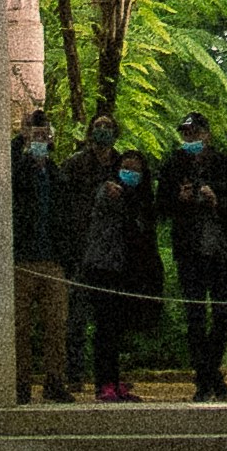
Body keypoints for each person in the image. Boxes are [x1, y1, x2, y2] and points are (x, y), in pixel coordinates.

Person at [157, 118, 227, 397]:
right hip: (190, 251)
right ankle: (205, 379)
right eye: (186, 133)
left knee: (221, 315)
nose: (190, 138)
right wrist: (178, 198)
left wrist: (217, 200)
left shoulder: (226, 163)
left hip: (221, 250)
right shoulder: (173, 164)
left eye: (195, 133)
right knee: (194, 316)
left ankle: (210, 371)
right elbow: (161, 207)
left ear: (207, 134)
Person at [77, 138, 160, 398]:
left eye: (135, 169)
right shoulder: (109, 191)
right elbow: (99, 204)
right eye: (126, 167)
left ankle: (113, 379)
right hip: (105, 268)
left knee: (118, 327)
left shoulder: (143, 200)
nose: (130, 173)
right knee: (105, 326)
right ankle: (104, 383)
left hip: (129, 271)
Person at [8, 109, 76, 404]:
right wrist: (19, 139)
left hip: (52, 260)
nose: (39, 137)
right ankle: (20, 383)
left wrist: (67, 258)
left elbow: (66, 218)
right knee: (19, 327)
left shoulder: (58, 173)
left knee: (56, 326)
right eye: (34, 132)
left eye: (43, 133)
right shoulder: (17, 169)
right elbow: (7, 169)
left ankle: (54, 381)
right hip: (22, 260)